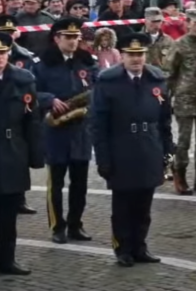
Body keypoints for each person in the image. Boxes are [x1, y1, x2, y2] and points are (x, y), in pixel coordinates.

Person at [89, 32, 174, 268]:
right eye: (131, 55)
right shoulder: (108, 81)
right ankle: (123, 248)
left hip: (149, 147)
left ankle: (140, 246)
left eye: (140, 54)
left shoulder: (156, 79)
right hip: (122, 148)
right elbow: (98, 124)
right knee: (123, 205)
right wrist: (103, 159)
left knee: (144, 205)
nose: (136, 59)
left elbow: (165, 120)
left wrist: (168, 149)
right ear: (122, 56)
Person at [34, 18, 97, 244]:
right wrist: (49, 99)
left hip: (81, 132)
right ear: (56, 38)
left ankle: (75, 224)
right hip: (56, 132)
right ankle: (57, 226)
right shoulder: (42, 64)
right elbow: (32, 91)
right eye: (68, 37)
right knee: (56, 183)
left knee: (80, 184)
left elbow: (97, 88)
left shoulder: (87, 62)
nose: (73, 41)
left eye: (76, 37)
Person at [0, 33, 45, 275]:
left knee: (8, 214)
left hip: (11, 150)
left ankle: (7, 260)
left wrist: (35, 156)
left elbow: (32, 120)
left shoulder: (23, 79)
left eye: (2, 53)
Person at [166, 9, 196, 195]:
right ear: (187, 23)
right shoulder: (179, 45)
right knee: (184, 142)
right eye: (195, 22)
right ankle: (181, 178)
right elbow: (170, 72)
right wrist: (167, 98)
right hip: (185, 99)